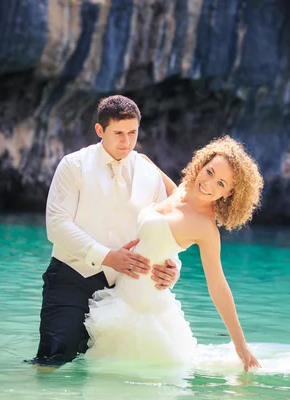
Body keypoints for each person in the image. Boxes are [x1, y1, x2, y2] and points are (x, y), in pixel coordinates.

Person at [84, 136, 265, 371]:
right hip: (119, 293)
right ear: (201, 164)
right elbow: (145, 161)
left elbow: (218, 286)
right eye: (209, 172)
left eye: (221, 184)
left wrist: (240, 344)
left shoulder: (205, 228)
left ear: (230, 193)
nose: (208, 184)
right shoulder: (181, 190)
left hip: (140, 309)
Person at [30, 95, 182, 367]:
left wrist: (173, 267)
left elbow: (162, 229)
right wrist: (108, 257)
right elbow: (57, 224)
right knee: (53, 360)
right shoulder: (73, 165)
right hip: (70, 276)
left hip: (125, 288)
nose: (126, 142)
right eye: (118, 133)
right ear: (100, 131)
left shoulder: (150, 174)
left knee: (103, 368)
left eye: (133, 133)